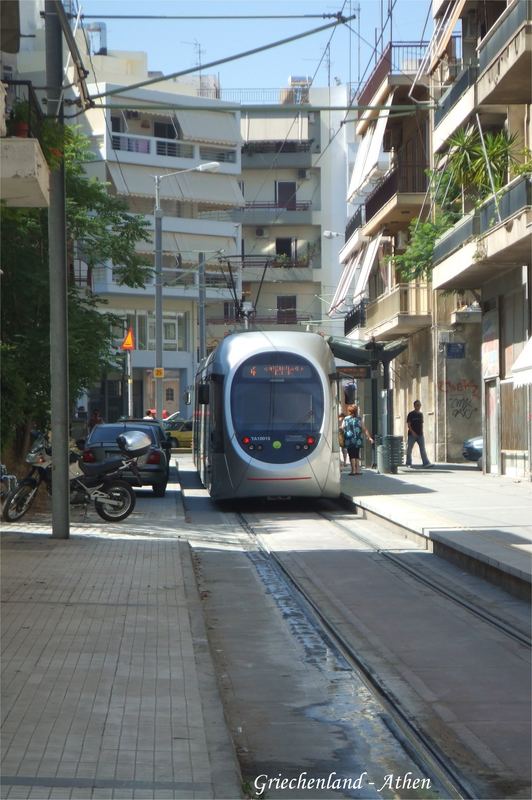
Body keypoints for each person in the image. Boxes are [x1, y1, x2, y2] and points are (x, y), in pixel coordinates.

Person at [343, 404, 373, 476]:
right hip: (357, 439)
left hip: (349, 439)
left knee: (351, 455)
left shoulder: (346, 419)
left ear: (349, 411)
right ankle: (358, 470)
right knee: (356, 454)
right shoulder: (359, 419)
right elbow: (364, 429)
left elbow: (342, 427)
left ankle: (353, 470)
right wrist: (369, 437)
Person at [406, 400, 432, 467]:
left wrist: (422, 433)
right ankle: (408, 463)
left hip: (420, 435)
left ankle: (426, 463)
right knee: (409, 449)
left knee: (422, 449)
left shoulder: (420, 414)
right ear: (414, 406)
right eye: (417, 405)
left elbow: (421, 424)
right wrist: (413, 433)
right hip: (412, 435)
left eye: (419, 405)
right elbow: (409, 425)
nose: (419, 406)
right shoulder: (411, 414)